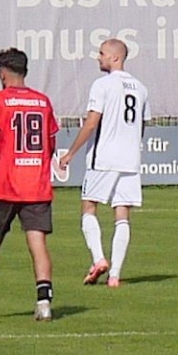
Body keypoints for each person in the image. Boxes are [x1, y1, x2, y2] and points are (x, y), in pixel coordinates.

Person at [0, 47, 61, 321]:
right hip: (36, 184)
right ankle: (44, 303)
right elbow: (51, 142)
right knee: (38, 243)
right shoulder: (42, 101)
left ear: (3, 73)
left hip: (5, 183)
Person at [57, 37, 150, 288]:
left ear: (115, 57)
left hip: (104, 158)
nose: (98, 58)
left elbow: (91, 123)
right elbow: (142, 125)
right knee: (122, 215)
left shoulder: (102, 85)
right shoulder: (141, 88)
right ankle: (115, 275)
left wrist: (70, 153)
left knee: (89, 207)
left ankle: (99, 259)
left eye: (101, 53)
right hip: (130, 160)